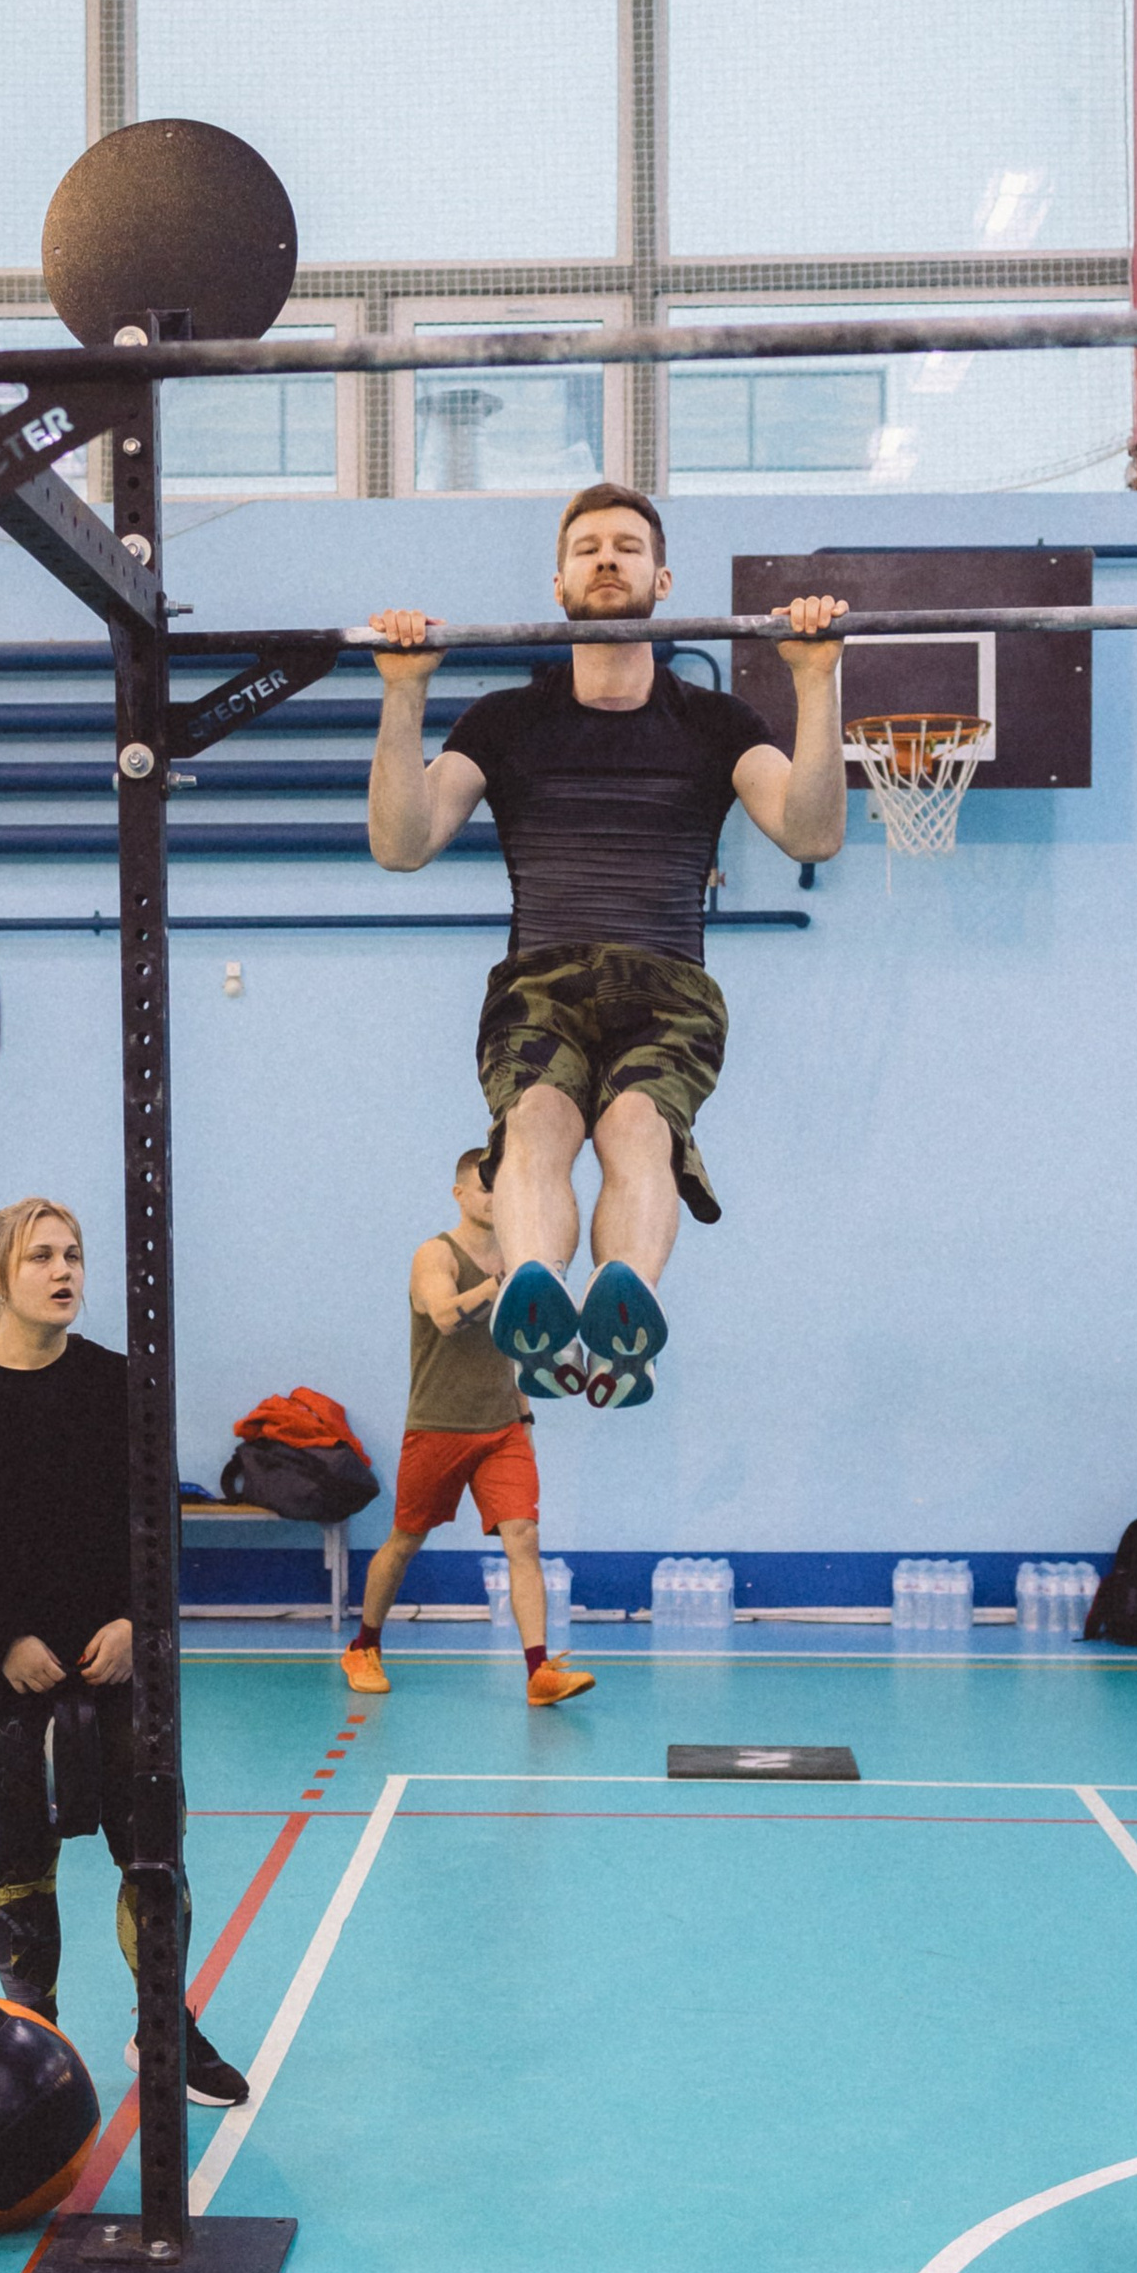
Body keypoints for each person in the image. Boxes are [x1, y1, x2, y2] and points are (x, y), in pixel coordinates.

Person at [367, 486, 847, 1408]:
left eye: (628, 546)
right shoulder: (504, 720)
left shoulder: (716, 723)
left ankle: (627, 1324)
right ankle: (537, 1292)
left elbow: (812, 834)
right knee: (541, 1118)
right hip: (539, 981)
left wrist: (815, 682)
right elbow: (401, 845)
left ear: (661, 580)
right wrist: (405, 695)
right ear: (558, 583)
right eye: (587, 547)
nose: (607, 559)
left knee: (636, 1128)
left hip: (669, 985)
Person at [0, 1196, 250, 2107]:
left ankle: (167, 2025)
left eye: (73, 1254)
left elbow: (156, 1519)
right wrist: (1, 1641)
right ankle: (30, 2034)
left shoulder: (122, 1382)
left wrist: (133, 1621)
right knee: (21, 1855)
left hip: (118, 1658)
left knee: (151, 1848)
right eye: (40, 1256)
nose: (64, 1271)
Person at [345, 1147, 592, 1708]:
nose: (495, 1199)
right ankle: (364, 1645)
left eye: (502, 1188)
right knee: (404, 1542)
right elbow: (444, 1316)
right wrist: (494, 1285)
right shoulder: (435, 1254)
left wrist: (525, 1415)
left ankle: (539, 1672)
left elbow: (519, 1348)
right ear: (460, 1195)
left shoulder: (517, 1257)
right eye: (485, 1189)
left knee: (524, 1539)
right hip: (437, 1426)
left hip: (502, 1427)